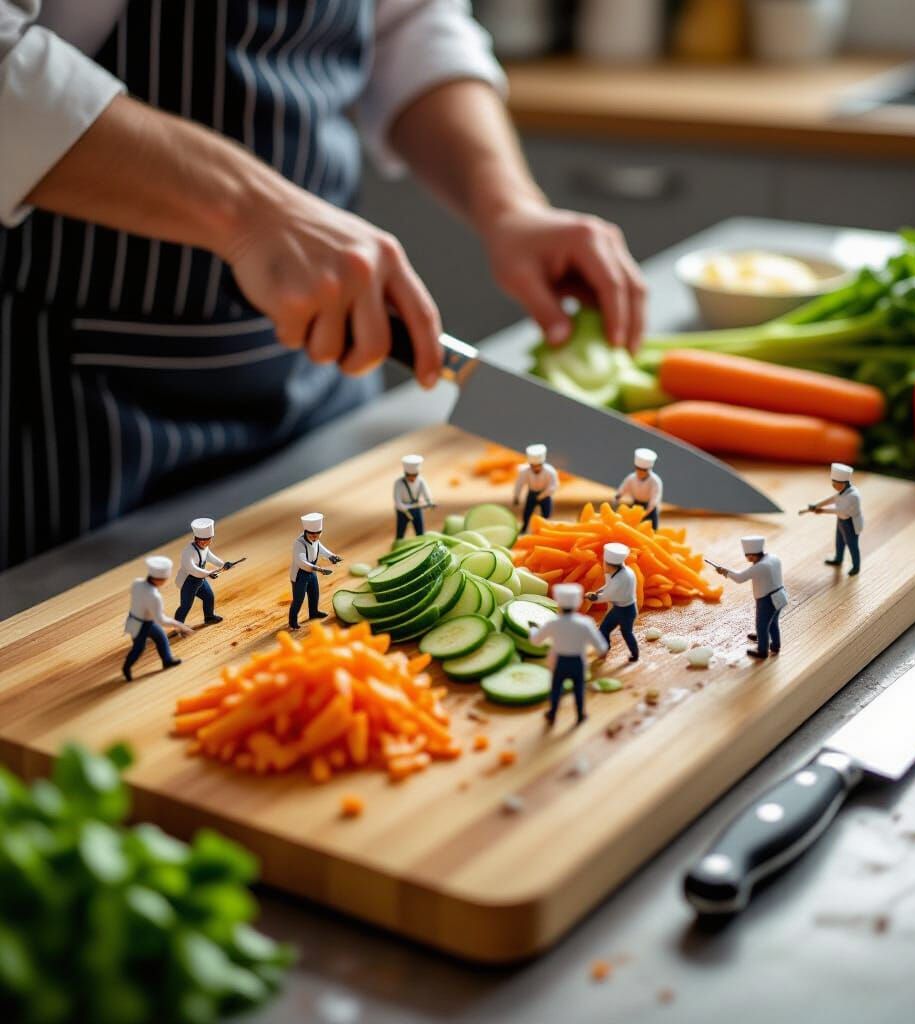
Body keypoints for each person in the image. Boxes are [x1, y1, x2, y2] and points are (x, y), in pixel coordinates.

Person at [0, 1, 646, 572]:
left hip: (323, 379)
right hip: (65, 420)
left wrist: (509, 205)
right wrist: (246, 209)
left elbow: (408, 20)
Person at [530, 582, 608, 727]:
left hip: (560, 661)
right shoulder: (585, 623)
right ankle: (580, 715)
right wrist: (602, 652)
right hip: (578, 662)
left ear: (559, 603)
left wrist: (533, 629)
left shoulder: (553, 622)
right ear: (578, 603)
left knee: (556, 689)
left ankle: (552, 714)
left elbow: (536, 640)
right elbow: (600, 645)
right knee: (579, 689)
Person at [713, 536, 788, 659]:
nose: (747, 558)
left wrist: (724, 571)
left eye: (747, 556)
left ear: (752, 556)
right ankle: (775, 645)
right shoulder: (773, 558)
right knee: (773, 623)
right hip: (780, 594)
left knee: (762, 624)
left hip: (767, 599)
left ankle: (762, 651)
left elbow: (740, 578)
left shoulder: (760, 566)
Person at [123, 554, 191, 681]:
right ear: (159, 579)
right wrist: (180, 625)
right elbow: (161, 620)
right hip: (142, 624)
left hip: (134, 619)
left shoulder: (137, 583)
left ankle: (167, 660)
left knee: (161, 637)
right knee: (139, 648)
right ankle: (126, 668)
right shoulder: (154, 596)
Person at [805, 462, 864, 576]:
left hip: (850, 523)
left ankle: (856, 566)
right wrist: (817, 505)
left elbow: (841, 510)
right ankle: (838, 558)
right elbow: (832, 499)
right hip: (841, 521)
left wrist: (822, 510)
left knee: (852, 545)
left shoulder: (853, 495)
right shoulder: (842, 492)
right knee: (839, 542)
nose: (833, 485)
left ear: (844, 483)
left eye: (835, 483)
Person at [173, 516, 234, 626]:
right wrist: (208, 573)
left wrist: (223, 564)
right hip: (188, 581)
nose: (207, 542)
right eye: (205, 540)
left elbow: (211, 557)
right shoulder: (188, 551)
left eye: (209, 539)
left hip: (199, 579)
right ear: (198, 539)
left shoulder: (205, 548)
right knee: (186, 605)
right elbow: (192, 569)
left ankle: (209, 617)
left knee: (209, 596)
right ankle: (178, 626)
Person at [587, 541, 639, 662]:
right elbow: (607, 587)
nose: (603, 565)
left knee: (626, 633)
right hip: (619, 608)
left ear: (611, 565)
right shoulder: (617, 573)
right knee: (604, 628)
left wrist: (593, 598)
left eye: (604, 563)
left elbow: (608, 595)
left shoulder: (621, 578)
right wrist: (596, 592)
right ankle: (605, 649)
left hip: (627, 611)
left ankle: (635, 654)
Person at [289, 512, 341, 630]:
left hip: (312, 571)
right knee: (299, 599)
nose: (314, 537)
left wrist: (332, 556)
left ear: (320, 533)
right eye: (311, 534)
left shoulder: (316, 540)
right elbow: (301, 562)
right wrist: (320, 569)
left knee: (314, 593)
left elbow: (321, 549)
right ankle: (292, 621)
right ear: (306, 532)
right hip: (300, 575)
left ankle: (314, 612)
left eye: (317, 534)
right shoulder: (299, 543)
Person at [614, 447, 663, 529]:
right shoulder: (631, 478)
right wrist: (618, 496)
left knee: (652, 528)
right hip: (636, 505)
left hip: (649, 508)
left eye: (643, 470)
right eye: (638, 469)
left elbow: (655, 498)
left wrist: (646, 512)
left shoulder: (655, 481)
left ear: (649, 470)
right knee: (630, 526)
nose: (640, 472)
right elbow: (623, 488)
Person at [514, 443, 558, 533]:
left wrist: (542, 495)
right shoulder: (524, 472)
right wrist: (516, 496)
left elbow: (553, 486)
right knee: (527, 513)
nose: (535, 468)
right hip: (532, 494)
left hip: (545, 494)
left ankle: (543, 530)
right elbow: (519, 484)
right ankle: (524, 528)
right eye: (533, 466)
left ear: (542, 464)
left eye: (538, 466)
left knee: (546, 513)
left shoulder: (550, 472)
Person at [393, 454, 432, 540]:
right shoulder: (398, 483)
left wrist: (428, 502)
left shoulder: (421, 481)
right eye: (410, 475)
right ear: (406, 474)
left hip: (417, 509)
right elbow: (398, 503)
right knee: (400, 532)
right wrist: (408, 507)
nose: (413, 478)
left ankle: (422, 545)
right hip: (403, 512)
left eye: (415, 475)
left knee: (420, 532)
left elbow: (427, 494)